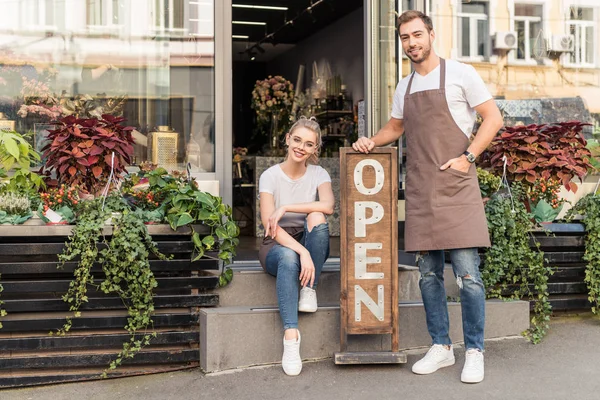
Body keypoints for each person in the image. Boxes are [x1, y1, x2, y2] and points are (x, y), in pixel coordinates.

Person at [352, 10, 503, 384]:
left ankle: (475, 350)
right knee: (428, 275)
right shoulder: (404, 87)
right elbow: (396, 127)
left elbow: (493, 118)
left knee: (468, 275)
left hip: (456, 185)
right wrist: (372, 140)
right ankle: (441, 346)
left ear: (431, 35)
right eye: (405, 38)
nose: (412, 43)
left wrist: (468, 158)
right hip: (421, 189)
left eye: (417, 35)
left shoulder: (461, 74)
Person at [258, 116, 334, 376]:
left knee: (317, 218)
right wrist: (302, 252)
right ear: (288, 139)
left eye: (309, 144)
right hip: (276, 243)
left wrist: (287, 206)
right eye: (298, 140)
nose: (301, 147)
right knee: (290, 257)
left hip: (308, 237)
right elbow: (271, 226)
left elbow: (328, 206)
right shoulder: (269, 176)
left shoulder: (319, 173)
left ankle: (308, 289)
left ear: (315, 150)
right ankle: (291, 337)